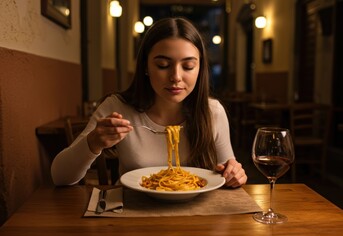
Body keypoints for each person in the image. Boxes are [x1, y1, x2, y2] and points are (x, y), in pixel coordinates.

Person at [51, 17, 247, 187]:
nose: (176, 77)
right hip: (131, 214)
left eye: (188, 66)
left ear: (200, 68)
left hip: (195, 219)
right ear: (145, 66)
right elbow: (60, 177)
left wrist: (234, 174)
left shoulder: (212, 112)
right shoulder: (117, 108)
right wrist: (92, 143)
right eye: (163, 65)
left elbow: (227, 173)